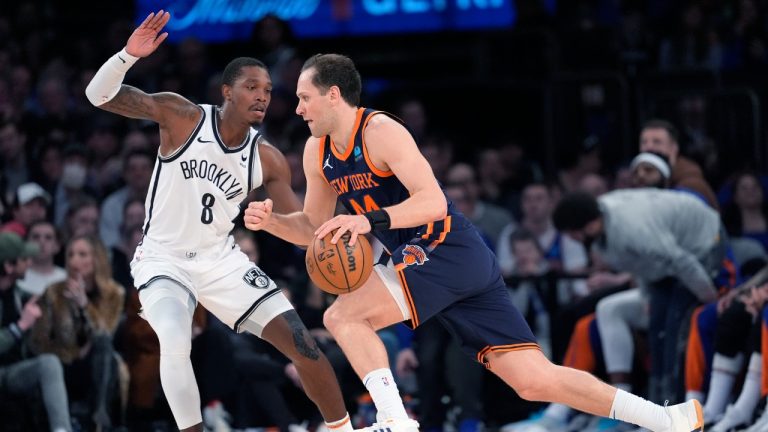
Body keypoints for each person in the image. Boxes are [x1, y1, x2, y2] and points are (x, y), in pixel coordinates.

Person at [244, 53, 704, 432]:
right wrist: (272, 223)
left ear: (333, 95)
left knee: (343, 313)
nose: (298, 108)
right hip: (430, 261)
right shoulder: (316, 150)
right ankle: (667, 418)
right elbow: (314, 228)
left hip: (445, 248)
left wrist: (369, 220)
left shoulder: (380, 131)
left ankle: (394, 420)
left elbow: (434, 203)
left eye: (304, 98)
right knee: (532, 380)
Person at [84, 11, 352, 432]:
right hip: (163, 259)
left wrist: (303, 227)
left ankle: (344, 429)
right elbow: (97, 96)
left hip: (220, 261)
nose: (262, 96)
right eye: (251, 87)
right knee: (174, 339)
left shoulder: (268, 159)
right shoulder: (182, 116)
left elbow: (304, 229)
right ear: (226, 91)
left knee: (304, 345)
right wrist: (125, 57)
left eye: (267, 89)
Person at [28, 234, 126, 430]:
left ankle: (99, 418)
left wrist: (84, 305)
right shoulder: (54, 292)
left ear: (97, 259)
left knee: (105, 350)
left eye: (82, 255)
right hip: (64, 365)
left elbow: (106, 332)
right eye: (71, 255)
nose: (74, 261)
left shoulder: (114, 293)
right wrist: (72, 354)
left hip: (99, 366)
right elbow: (38, 342)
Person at [0, 232, 72, 432]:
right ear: (8, 266)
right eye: (24, 259)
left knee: (49, 363)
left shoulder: (15, 292)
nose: (30, 263)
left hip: (13, 371)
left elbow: (41, 298)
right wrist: (20, 326)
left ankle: (61, 429)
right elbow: (20, 326)